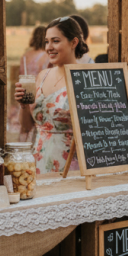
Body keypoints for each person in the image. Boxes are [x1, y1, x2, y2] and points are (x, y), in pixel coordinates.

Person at [15, 16, 89, 174]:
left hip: (71, 166)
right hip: (38, 163)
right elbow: (27, 127)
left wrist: (78, 119)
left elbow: (98, 129)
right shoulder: (42, 76)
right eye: (47, 41)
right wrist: (23, 105)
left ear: (73, 42)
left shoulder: (85, 78)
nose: (49, 47)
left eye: (55, 41)